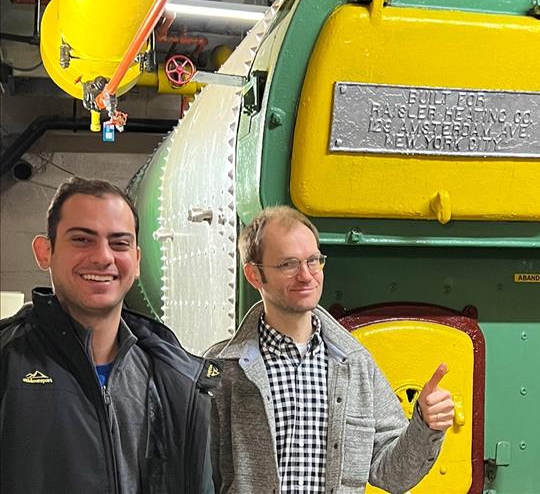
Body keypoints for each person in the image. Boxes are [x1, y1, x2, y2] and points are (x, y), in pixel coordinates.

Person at [207, 205, 454, 493]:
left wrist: (425, 424)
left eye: (313, 261)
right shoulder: (223, 370)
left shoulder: (356, 363)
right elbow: (196, 472)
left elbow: (393, 475)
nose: (306, 275)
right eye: (288, 264)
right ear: (253, 275)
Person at [0, 177, 219, 494]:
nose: (103, 257)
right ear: (44, 251)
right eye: (82, 240)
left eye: (119, 243)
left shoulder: (177, 379)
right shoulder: (8, 362)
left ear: (137, 260)